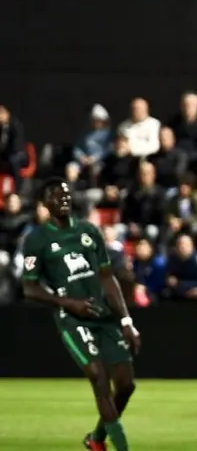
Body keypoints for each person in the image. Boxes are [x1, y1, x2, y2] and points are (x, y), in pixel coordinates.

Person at [22, 178, 140, 451]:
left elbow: (108, 279)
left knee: (126, 385)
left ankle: (96, 439)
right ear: (44, 203)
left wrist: (125, 320)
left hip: (103, 315)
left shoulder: (88, 231)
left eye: (65, 194)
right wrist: (66, 302)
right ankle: (122, 447)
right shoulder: (37, 239)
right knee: (98, 376)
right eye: (55, 195)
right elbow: (29, 287)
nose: (63, 198)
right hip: (73, 319)